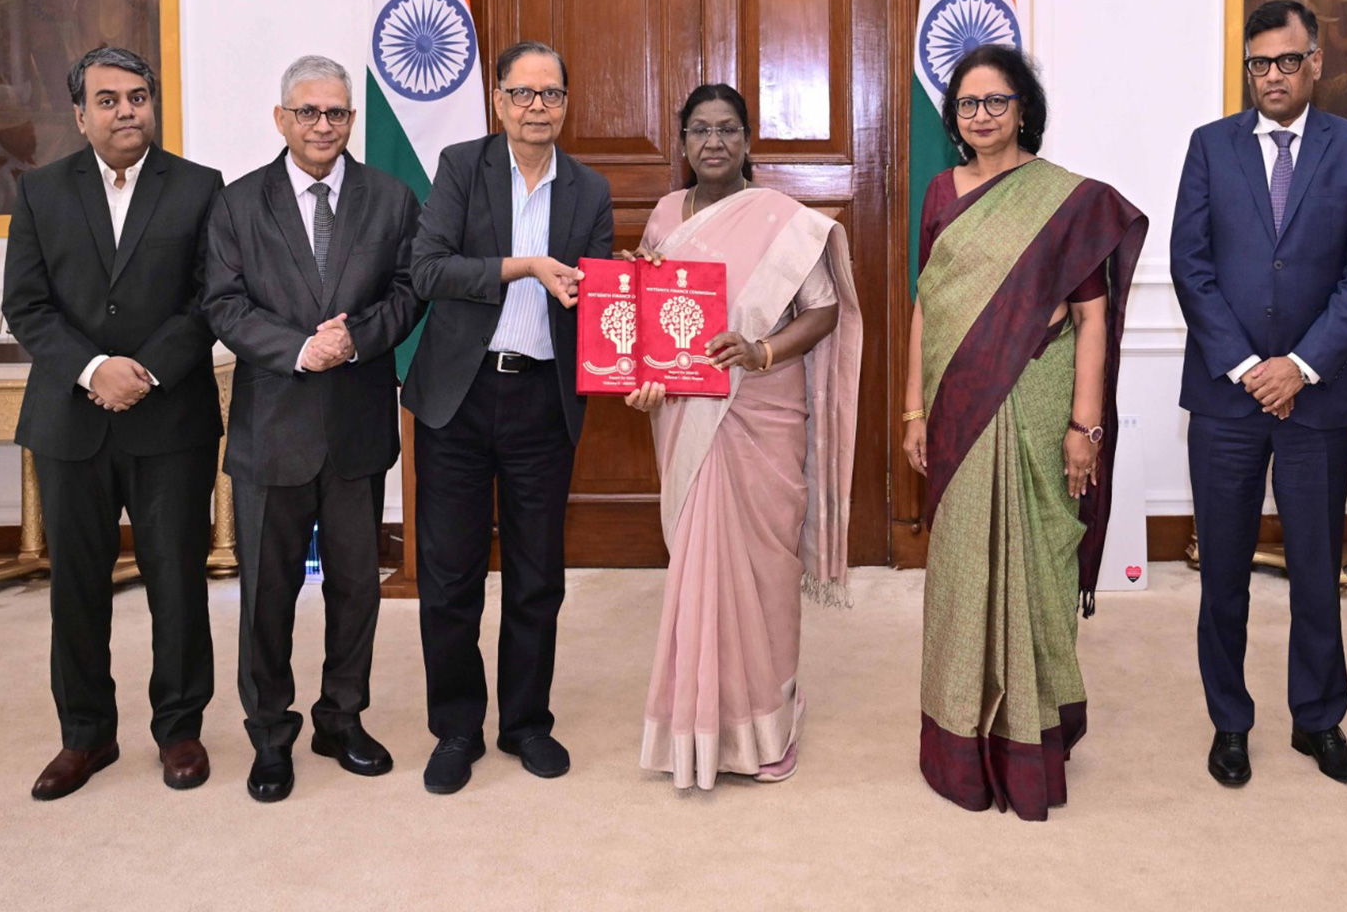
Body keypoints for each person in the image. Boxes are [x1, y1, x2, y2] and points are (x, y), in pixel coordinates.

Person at [904, 44, 1146, 821]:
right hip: (957, 409)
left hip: (1038, 404)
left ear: (1023, 110)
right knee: (961, 568)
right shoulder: (940, 192)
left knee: (1039, 565)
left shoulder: (1065, 202)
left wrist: (1085, 428)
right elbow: (927, 305)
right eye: (967, 104)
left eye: (996, 101)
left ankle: (1029, 737)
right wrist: (912, 410)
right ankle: (960, 738)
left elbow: (1091, 318)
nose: (981, 116)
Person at [1171, 0, 1347, 789]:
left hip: (1317, 400)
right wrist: (1247, 367)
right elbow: (1191, 264)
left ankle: (1318, 720)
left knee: (1317, 570)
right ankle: (1230, 723)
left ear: (1315, 63)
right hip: (1225, 400)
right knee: (1223, 574)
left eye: (1287, 61)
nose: (1272, 75)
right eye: (1259, 63)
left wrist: (1298, 365)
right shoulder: (1210, 146)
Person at [623, 84, 861, 789]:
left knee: (765, 570)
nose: (714, 142)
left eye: (728, 128)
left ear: (748, 139)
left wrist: (760, 351)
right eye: (700, 129)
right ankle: (700, 727)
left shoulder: (783, 220)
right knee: (698, 564)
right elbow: (647, 310)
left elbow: (823, 311)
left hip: (764, 409)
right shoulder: (666, 214)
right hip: (686, 411)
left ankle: (769, 720)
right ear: (682, 141)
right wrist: (638, 365)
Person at [3, 46, 223, 800]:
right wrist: (95, 368)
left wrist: (146, 370)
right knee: (76, 588)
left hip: (171, 421)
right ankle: (86, 735)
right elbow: (25, 304)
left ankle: (180, 728)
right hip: (72, 421)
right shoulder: (41, 192)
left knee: (178, 582)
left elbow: (210, 299)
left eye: (137, 96)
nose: (126, 110)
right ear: (79, 114)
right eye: (108, 99)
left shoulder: (199, 187)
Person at [203, 55, 423, 802]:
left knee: (356, 588)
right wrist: (302, 349)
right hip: (273, 429)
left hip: (357, 427)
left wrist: (356, 340)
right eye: (308, 112)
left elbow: (409, 292)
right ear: (282, 119)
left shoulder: (391, 199)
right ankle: (271, 734)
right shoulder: (238, 203)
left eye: (336, 113)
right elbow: (223, 304)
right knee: (266, 596)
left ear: (351, 120)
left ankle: (341, 718)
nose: (323, 125)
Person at [402, 40, 613, 795]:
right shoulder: (463, 167)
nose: (536, 108)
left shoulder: (589, 190)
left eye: (550, 94)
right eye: (522, 93)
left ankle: (525, 722)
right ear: (498, 100)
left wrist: (631, 306)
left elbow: (599, 300)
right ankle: (456, 728)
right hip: (458, 400)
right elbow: (427, 269)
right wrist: (521, 267)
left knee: (536, 576)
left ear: (566, 104)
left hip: (541, 402)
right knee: (450, 576)